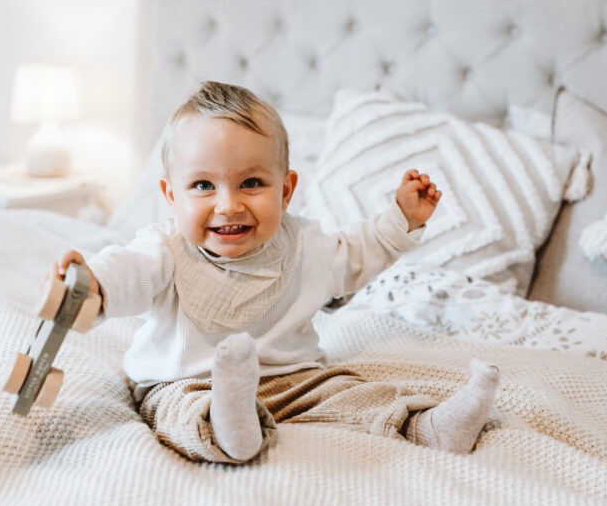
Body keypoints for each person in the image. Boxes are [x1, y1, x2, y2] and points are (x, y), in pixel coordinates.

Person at [53, 81, 500, 464]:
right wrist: (90, 283)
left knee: (350, 393)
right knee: (179, 415)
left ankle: (426, 427)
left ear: (285, 190)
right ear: (172, 196)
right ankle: (228, 429)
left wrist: (400, 220)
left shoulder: (307, 244)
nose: (228, 204)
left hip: (293, 380)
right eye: (203, 185)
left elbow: (358, 255)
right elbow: (127, 271)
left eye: (251, 183)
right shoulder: (164, 248)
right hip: (184, 382)